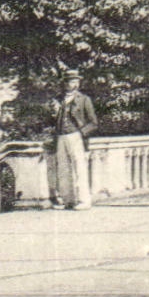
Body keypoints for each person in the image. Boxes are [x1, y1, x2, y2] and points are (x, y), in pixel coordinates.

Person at [52, 69, 98, 209]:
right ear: (64, 83)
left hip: (76, 136)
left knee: (80, 168)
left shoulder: (84, 99)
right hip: (61, 136)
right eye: (71, 81)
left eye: (76, 81)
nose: (74, 84)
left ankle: (84, 201)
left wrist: (80, 133)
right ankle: (68, 201)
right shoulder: (58, 100)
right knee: (63, 169)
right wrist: (54, 112)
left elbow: (93, 123)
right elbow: (51, 121)